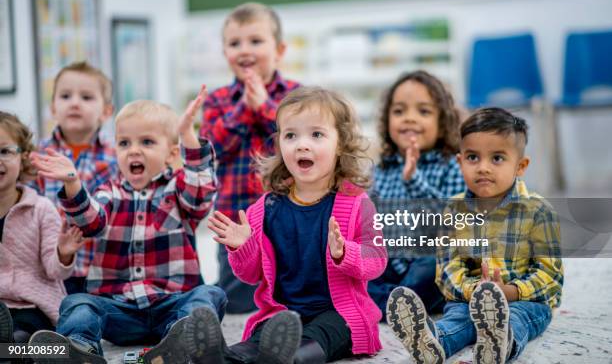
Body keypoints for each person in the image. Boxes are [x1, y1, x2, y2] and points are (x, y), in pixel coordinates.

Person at [29, 88, 226, 364]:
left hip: (171, 303)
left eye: (146, 142)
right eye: (124, 143)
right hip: (119, 310)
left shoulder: (178, 190)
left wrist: (188, 138)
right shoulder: (109, 191)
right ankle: (79, 350)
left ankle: (183, 343)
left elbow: (201, 192)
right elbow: (91, 221)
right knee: (77, 303)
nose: (133, 150)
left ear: (170, 154)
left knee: (209, 294)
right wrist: (73, 183)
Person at [192, 87, 387, 364]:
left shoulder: (358, 202)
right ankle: (220, 357)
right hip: (283, 313)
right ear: (280, 143)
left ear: (340, 143)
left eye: (316, 134)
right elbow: (251, 275)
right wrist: (243, 248)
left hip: (339, 313)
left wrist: (345, 253)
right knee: (258, 339)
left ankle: (288, 359)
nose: (301, 144)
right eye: (291, 135)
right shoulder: (265, 208)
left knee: (322, 335)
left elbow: (377, 259)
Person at [386, 107, 564, 363]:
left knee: (520, 317)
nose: (483, 168)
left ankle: (503, 341)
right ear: (460, 162)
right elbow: (447, 271)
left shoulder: (538, 211)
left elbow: (551, 277)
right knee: (458, 317)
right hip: (470, 298)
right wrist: (477, 292)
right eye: (472, 158)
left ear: (520, 166)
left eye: (497, 158)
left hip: (526, 301)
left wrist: (509, 292)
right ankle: (434, 342)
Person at [199, 2, 300, 313]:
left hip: (288, 214)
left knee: (290, 288)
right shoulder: (216, 100)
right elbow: (211, 149)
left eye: (256, 41)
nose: (245, 50)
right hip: (234, 217)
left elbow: (298, 141)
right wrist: (245, 108)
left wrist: (267, 107)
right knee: (236, 298)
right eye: (234, 43)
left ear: (279, 50)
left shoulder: (297, 95)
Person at [368, 70, 465, 318]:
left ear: (443, 123)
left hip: (428, 261)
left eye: (423, 111)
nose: (409, 119)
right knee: (351, 270)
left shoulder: (452, 166)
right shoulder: (382, 169)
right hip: (391, 263)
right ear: (387, 120)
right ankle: (400, 301)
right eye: (399, 111)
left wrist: (414, 181)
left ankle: (390, 303)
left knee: (437, 266)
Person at [35, 61, 118, 295]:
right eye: (65, 96)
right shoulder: (38, 157)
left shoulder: (116, 157)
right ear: (52, 108)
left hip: (101, 269)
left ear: (106, 111)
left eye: (86, 97)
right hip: (49, 267)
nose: (74, 103)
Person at [0, 111, 81, 344]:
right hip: (1, 305)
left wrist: (63, 253)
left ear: (24, 158)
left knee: (25, 335)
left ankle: (20, 350)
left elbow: (55, 271)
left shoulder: (41, 209)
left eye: (4, 151)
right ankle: (10, 352)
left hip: (34, 306)